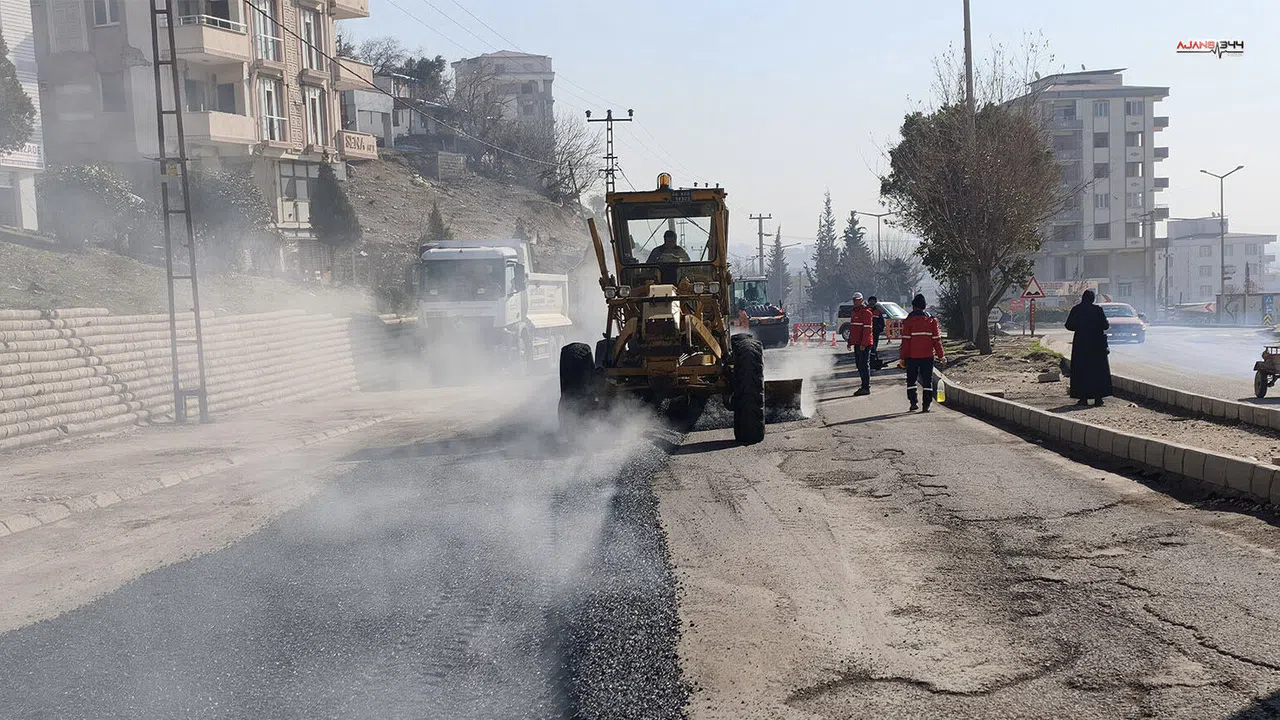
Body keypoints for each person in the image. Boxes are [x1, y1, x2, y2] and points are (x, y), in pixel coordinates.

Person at [1064, 289, 1113, 407]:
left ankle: (1083, 398)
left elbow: (1068, 325)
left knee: (1081, 371)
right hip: (1096, 345)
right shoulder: (1098, 310)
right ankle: (1098, 398)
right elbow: (1105, 326)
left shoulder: (1076, 310)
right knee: (1098, 371)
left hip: (1081, 345)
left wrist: (1080, 328)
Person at [899, 294, 946, 412]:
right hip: (928, 356)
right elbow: (936, 340)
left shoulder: (908, 322)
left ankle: (913, 402)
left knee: (911, 380)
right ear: (924, 307)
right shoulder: (931, 321)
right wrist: (941, 356)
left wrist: (902, 358)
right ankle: (926, 405)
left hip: (912, 356)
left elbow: (905, 342)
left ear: (914, 307)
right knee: (927, 381)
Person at [846, 292, 874, 396]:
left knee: (864, 365)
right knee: (859, 365)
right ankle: (864, 386)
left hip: (864, 344)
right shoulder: (854, 312)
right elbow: (853, 328)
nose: (855, 301)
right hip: (857, 343)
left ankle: (866, 387)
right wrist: (850, 342)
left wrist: (863, 344)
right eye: (854, 300)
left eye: (857, 300)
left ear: (861, 300)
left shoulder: (866, 312)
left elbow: (867, 331)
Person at [868, 295, 885, 370]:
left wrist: (877, 329)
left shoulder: (878, 312)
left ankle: (872, 362)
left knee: (874, 349)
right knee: (868, 349)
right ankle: (868, 363)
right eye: (870, 301)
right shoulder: (866, 311)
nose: (872, 303)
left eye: (873, 301)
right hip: (867, 334)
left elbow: (882, 324)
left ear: (875, 302)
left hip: (875, 334)